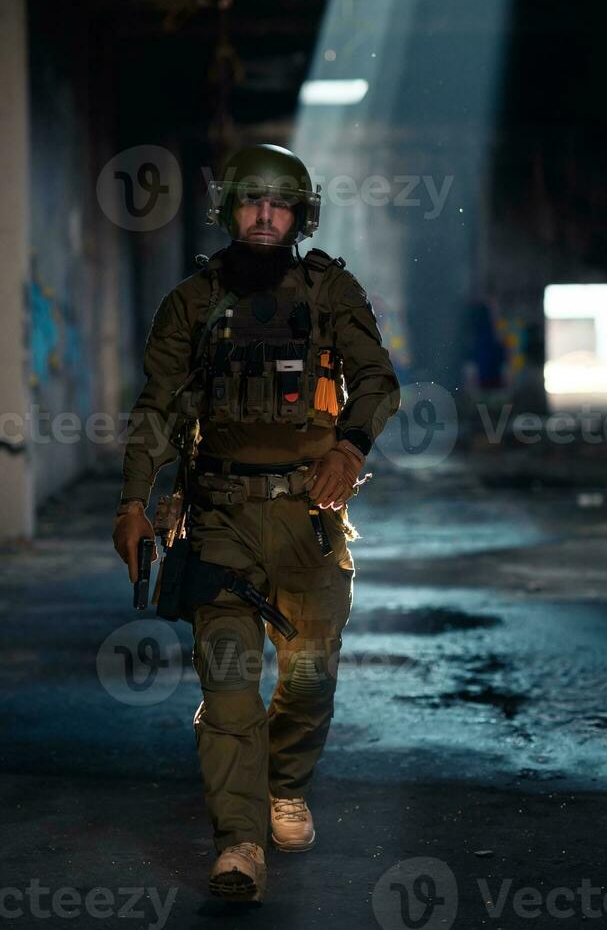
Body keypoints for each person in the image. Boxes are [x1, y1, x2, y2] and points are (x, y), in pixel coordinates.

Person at [112, 143, 400, 904]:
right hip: (219, 518)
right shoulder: (192, 302)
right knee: (231, 683)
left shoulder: (331, 292)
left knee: (310, 676)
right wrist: (134, 501)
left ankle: (286, 785)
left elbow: (378, 381)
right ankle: (238, 842)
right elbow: (156, 409)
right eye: (251, 203)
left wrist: (349, 446)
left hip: (310, 516)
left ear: (299, 217)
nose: (265, 216)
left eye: (280, 205)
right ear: (230, 212)